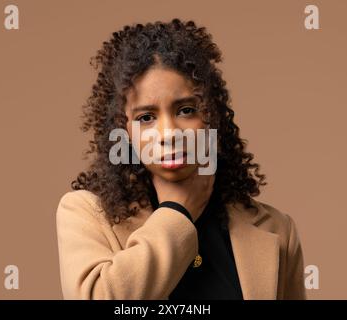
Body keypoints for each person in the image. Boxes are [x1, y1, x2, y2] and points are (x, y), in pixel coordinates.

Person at [56, 18, 306, 300]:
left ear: (212, 115)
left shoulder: (277, 229)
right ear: (123, 130)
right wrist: (177, 212)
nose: (169, 133)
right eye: (146, 118)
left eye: (186, 110)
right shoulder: (85, 213)